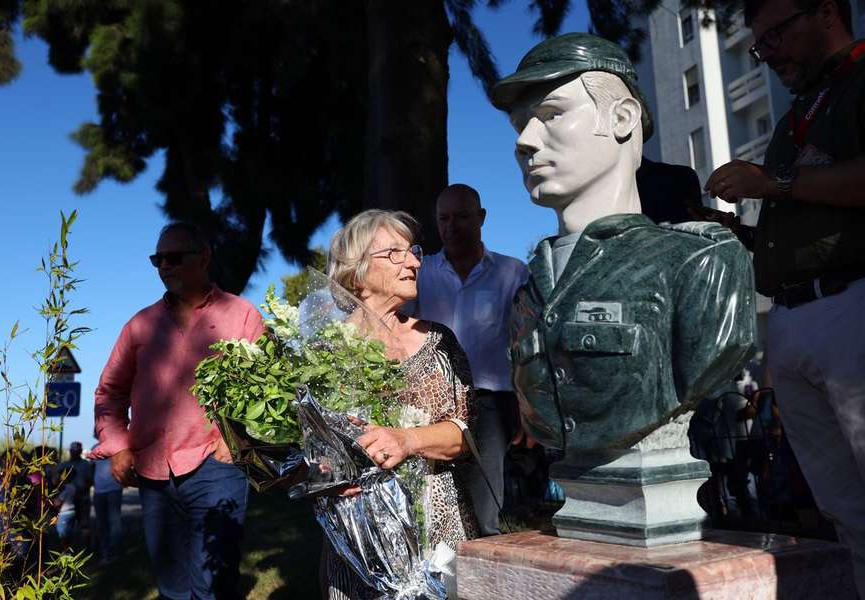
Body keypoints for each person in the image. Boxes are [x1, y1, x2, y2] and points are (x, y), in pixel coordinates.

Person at [489, 32, 756, 452]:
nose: (525, 141)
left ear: (621, 118)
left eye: (552, 114)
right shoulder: (530, 293)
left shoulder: (701, 264)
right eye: (522, 124)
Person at [700, 0, 865, 594]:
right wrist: (738, 234)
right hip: (793, 318)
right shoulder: (799, 111)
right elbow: (805, 229)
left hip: (854, 303)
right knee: (843, 509)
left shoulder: (864, 79)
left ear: (825, 12)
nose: (766, 54)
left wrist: (772, 182)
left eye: (774, 36)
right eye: (758, 44)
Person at [91, 222, 265, 600]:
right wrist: (119, 446)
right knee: (170, 586)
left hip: (217, 467)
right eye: (158, 259)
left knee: (215, 584)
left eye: (173, 257)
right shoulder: (140, 326)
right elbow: (109, 392)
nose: (164, 266)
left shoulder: (243, 316)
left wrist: (233, 444)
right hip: (153, 472)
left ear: (203, 258)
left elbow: (267, 390)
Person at [324, 209, 478, 599]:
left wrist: (407, 440)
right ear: (356, 272)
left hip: (438, 534)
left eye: (412, 252)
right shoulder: (323, 355)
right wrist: (322, 474)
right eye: (395, 253)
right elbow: (304, 448)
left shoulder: (439, 342)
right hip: (358, 540)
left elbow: (465, 435)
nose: (412, 261)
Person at [413, 183, 528, 536]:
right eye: (443, 218)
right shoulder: (421, 272)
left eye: (462, 217)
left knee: (483, 508)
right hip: (426, 402)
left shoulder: (512, 273)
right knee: (426, 502)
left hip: (489, 404)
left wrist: (528, 408)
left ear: (481, 218)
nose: (452, 226)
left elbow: (525, 344)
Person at [91, 439, 123, 564]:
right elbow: (92, 468)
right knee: (101, 523)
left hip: (114, 488)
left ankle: (114, 553)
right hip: (98, 490)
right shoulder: (95, 447)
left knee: (114, 522)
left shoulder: (116, 446)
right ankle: (105, 553)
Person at [58, 441, 92, 544]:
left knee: (84, 525)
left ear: (80, 451)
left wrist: (80, 488)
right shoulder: (64, 465)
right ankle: (69, 549)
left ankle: (86, 549)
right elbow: (57, 479)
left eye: (77, 451)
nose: (74, 453)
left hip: (83, 498)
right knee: (68, 526)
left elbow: (90, 481)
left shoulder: (86, 464)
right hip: (69, 501)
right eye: (73, 451)